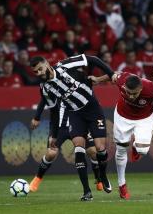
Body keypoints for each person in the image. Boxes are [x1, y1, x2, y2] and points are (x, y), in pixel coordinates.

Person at [90, 71, 153, 200]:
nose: (131, 96)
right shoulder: (122, 80)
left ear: (141, 88)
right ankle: (122, 184)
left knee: (143, 150)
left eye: (135, 93)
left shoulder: (151, 88)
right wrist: (97, 79)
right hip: (122, 116)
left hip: (144, 119)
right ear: (124, 86)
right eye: (128, 93)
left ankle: (136, 148)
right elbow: (111, 74)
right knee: (121, 149)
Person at [29, 54, 114, 201]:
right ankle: (87, 192)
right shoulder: (45, 88)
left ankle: (103, 176)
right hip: (75, 114)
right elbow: (54, 111)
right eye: (36, 72)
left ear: (46, 64)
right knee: (79, 148)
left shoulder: (64, 65)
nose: (39, 73)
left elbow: (92, 59)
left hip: (92, 109)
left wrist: (111, 74)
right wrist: (53, 135)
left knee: (100, 149)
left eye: (40, 69)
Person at [29, 91, 103, 192]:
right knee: (51, 153)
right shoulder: (56, 85)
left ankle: (98, 179)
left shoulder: (81, 86)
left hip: (79, 125)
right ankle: (38, 178)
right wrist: (37, 117)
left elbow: (93, 103)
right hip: (60, 127)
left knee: (93, 152)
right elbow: (44, 100)